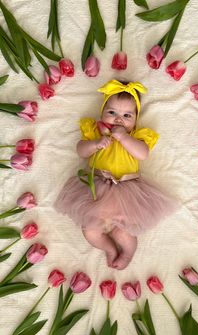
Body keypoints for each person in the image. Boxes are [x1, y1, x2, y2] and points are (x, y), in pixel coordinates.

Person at [55, 79, 178, 270]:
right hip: (97, 187)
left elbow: (142, 154)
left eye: (127, 115)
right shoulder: (96, 132)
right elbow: (80, 150)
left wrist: (124, 137)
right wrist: (95, 145)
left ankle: (128, 254)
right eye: (112, 112)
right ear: (102, 112)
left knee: (124, 233)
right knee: (89, 230)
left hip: (128, 192)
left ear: (136, 120)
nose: (119, 119)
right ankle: (109, 249)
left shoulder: (138, 136)